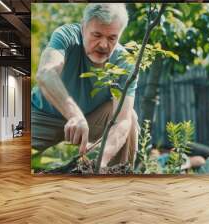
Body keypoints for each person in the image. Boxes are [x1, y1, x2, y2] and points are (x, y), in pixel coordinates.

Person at [31, 3, 139, 170]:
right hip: (43, 114)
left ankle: (113, 183)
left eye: (112, 38)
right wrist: (75, 115)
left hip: (91, 120)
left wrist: (100, 163)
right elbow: (46, 74)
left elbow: (122, 122)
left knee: (129, 117)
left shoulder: (124, 62)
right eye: (96, 35)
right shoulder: (66, 36)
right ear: (83, 27)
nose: (103, 45)